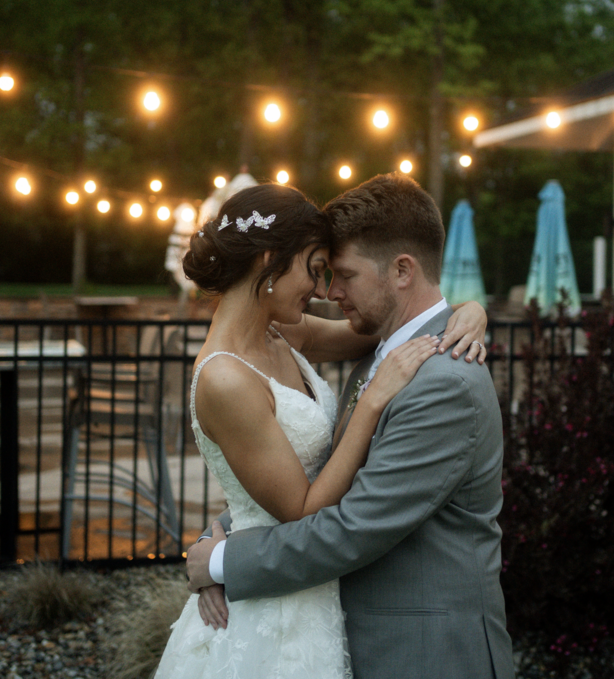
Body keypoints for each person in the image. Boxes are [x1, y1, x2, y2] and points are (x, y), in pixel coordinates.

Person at [154, 182, 489, 679]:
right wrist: (217, 546)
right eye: (316, 270)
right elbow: (295, 497)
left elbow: (379, 325)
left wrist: (470, 312)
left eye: (335, 273)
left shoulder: (290, 334)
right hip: (280, 613)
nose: (325, 289)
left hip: (368, 624)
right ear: (269, 260)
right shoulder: (236, 369)